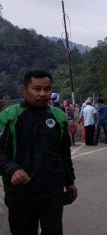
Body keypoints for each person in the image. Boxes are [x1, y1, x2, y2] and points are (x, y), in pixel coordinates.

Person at [0, 70, 77, 235]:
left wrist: (69, 181)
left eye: (47, 89)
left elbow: (64, 155)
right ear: (24, 90)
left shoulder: (60, 118)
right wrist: (13, 169)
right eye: (37, 89)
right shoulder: (9, 116)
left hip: (51, 191)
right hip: (20, 194)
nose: (43, 94)